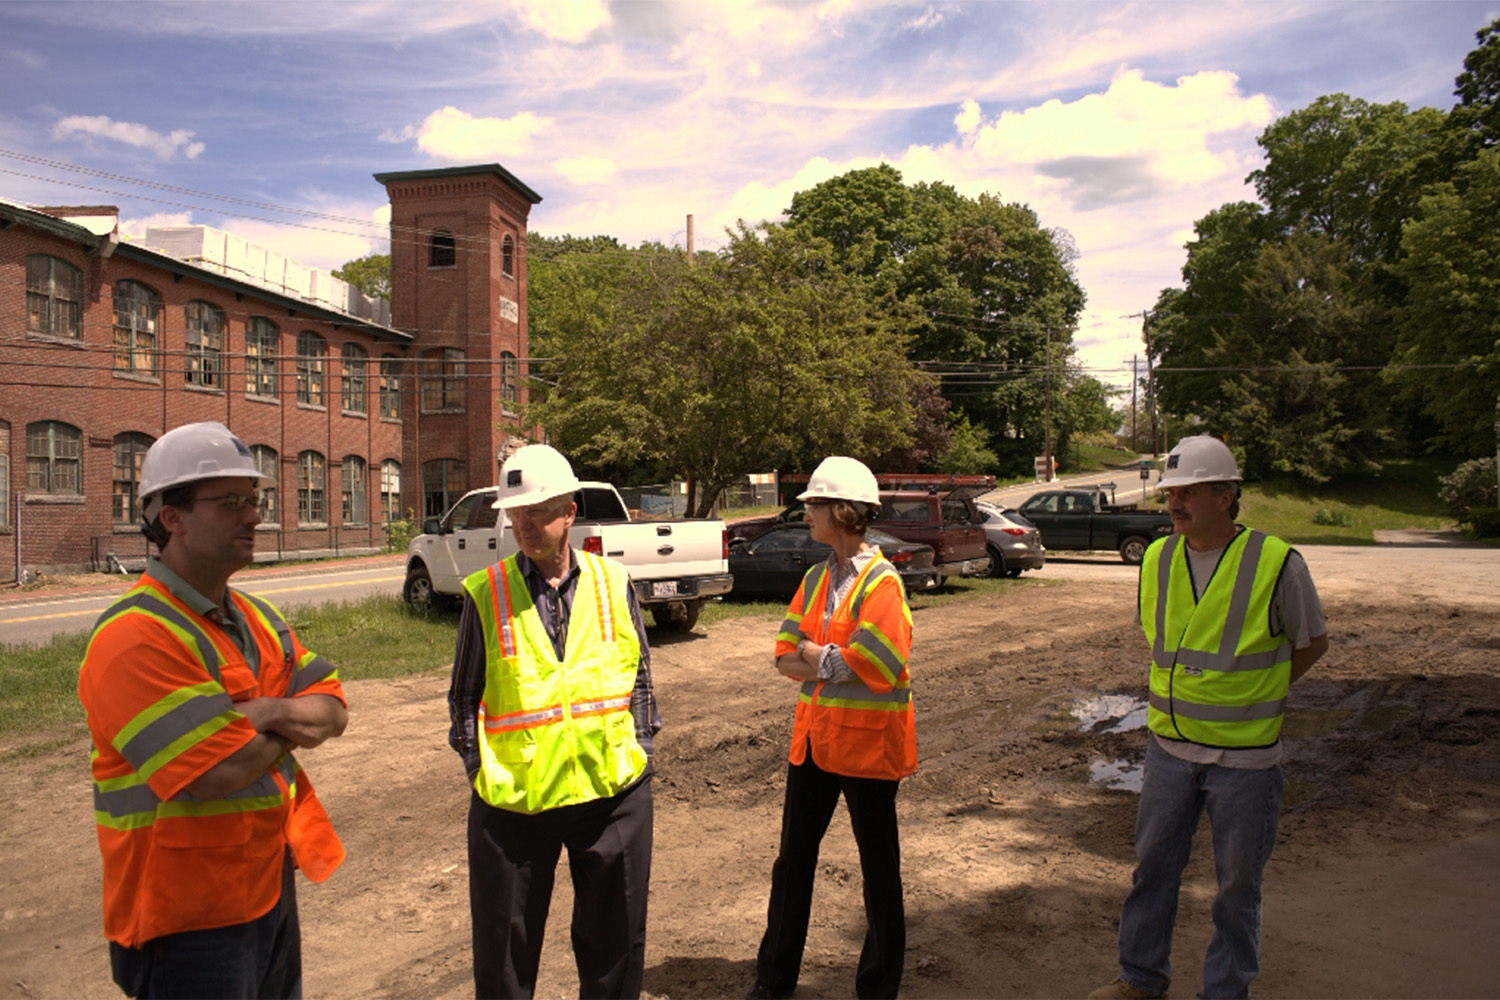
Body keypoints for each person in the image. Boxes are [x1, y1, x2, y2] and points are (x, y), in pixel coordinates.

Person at [78, 421, 347, 999]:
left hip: (266, 888)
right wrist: (289, 722)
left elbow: (334, 710)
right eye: (230, 503)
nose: (253, 517)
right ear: (169, 518)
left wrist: (264, 715)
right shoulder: (134, 637)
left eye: (254, 501)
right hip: (184, 919)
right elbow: (216, 773)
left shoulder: (256, 617)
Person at [1090, 435, 1329, 1000]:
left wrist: (1257, 694)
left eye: (1188, 491)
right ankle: (1140, 980)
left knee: (1236, 888)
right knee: (1153, 871)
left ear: (1226, 496)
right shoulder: (1157, 557)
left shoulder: (1277, 563)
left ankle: (1225, 992)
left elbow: (1312, 642)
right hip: (1169, 748)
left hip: (1244, 760)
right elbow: (1158, 636)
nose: (1174, 502)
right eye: (1171, 491)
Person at [448, 444, 661, 999]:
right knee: (503, 958)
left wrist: (640, 748)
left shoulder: (615, 584)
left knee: (616, 948)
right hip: (515, 804)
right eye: (514, 514)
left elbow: (640, 679)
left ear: (569, 511)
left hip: (612, 794)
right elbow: (464, 697)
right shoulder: (486, 593)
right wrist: (480, 768)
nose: (523, 525)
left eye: (536, 512)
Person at [748, 456, 916, 1000]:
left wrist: (817, 657)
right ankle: (773, 982)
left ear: (842, 511)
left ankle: (878, 989)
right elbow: (780, 656)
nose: (807, 512)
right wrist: (832, 658)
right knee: (792, 865)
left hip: (867, 751)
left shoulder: (882, 582)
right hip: (815, 747)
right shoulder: (818, 577)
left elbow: (879, 664)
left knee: (879, 874)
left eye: (814, 504)